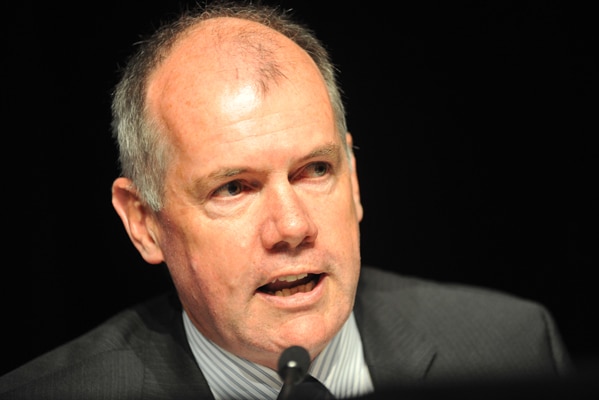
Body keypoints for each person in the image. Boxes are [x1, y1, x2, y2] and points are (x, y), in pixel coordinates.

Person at [0, 1, 574, 399]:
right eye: (234, 187)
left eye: (315, 170)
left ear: (353, 180)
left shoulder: (512, 344)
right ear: (144, 224)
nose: (292, 226)